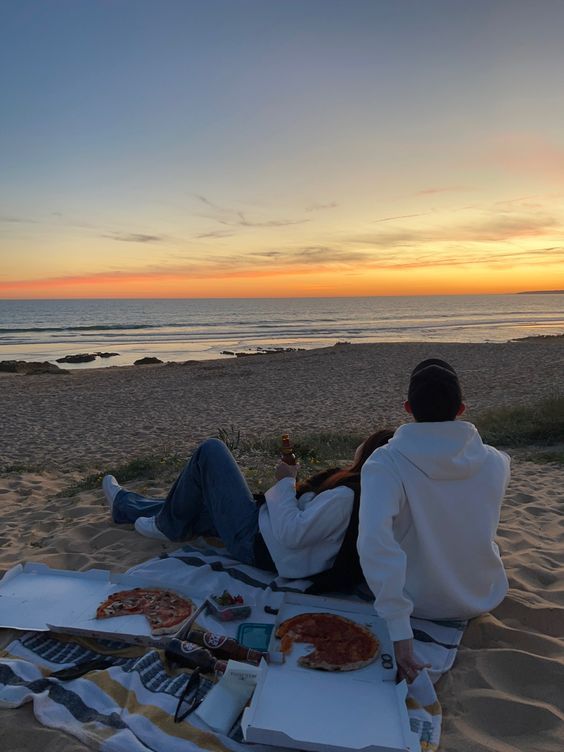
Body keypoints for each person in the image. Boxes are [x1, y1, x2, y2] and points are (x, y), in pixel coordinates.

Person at [357, 359, 510, 683]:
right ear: (462, 409)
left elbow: (375, 544)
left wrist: (399, 631)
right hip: (479, 596)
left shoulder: (386, 463)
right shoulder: (497, 462)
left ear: (408, 407)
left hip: (417, 604)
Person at [103, 430, 393, 587]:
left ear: (368, 453)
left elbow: (292, 533)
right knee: (197, 508)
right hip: (264, 531)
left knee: (211, 450)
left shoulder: (346, 496)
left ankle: (168, 526)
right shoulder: (372, 496)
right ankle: (123, 504)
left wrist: (286, 482)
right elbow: (309, 527)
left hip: (255, 541)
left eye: (364, 442)